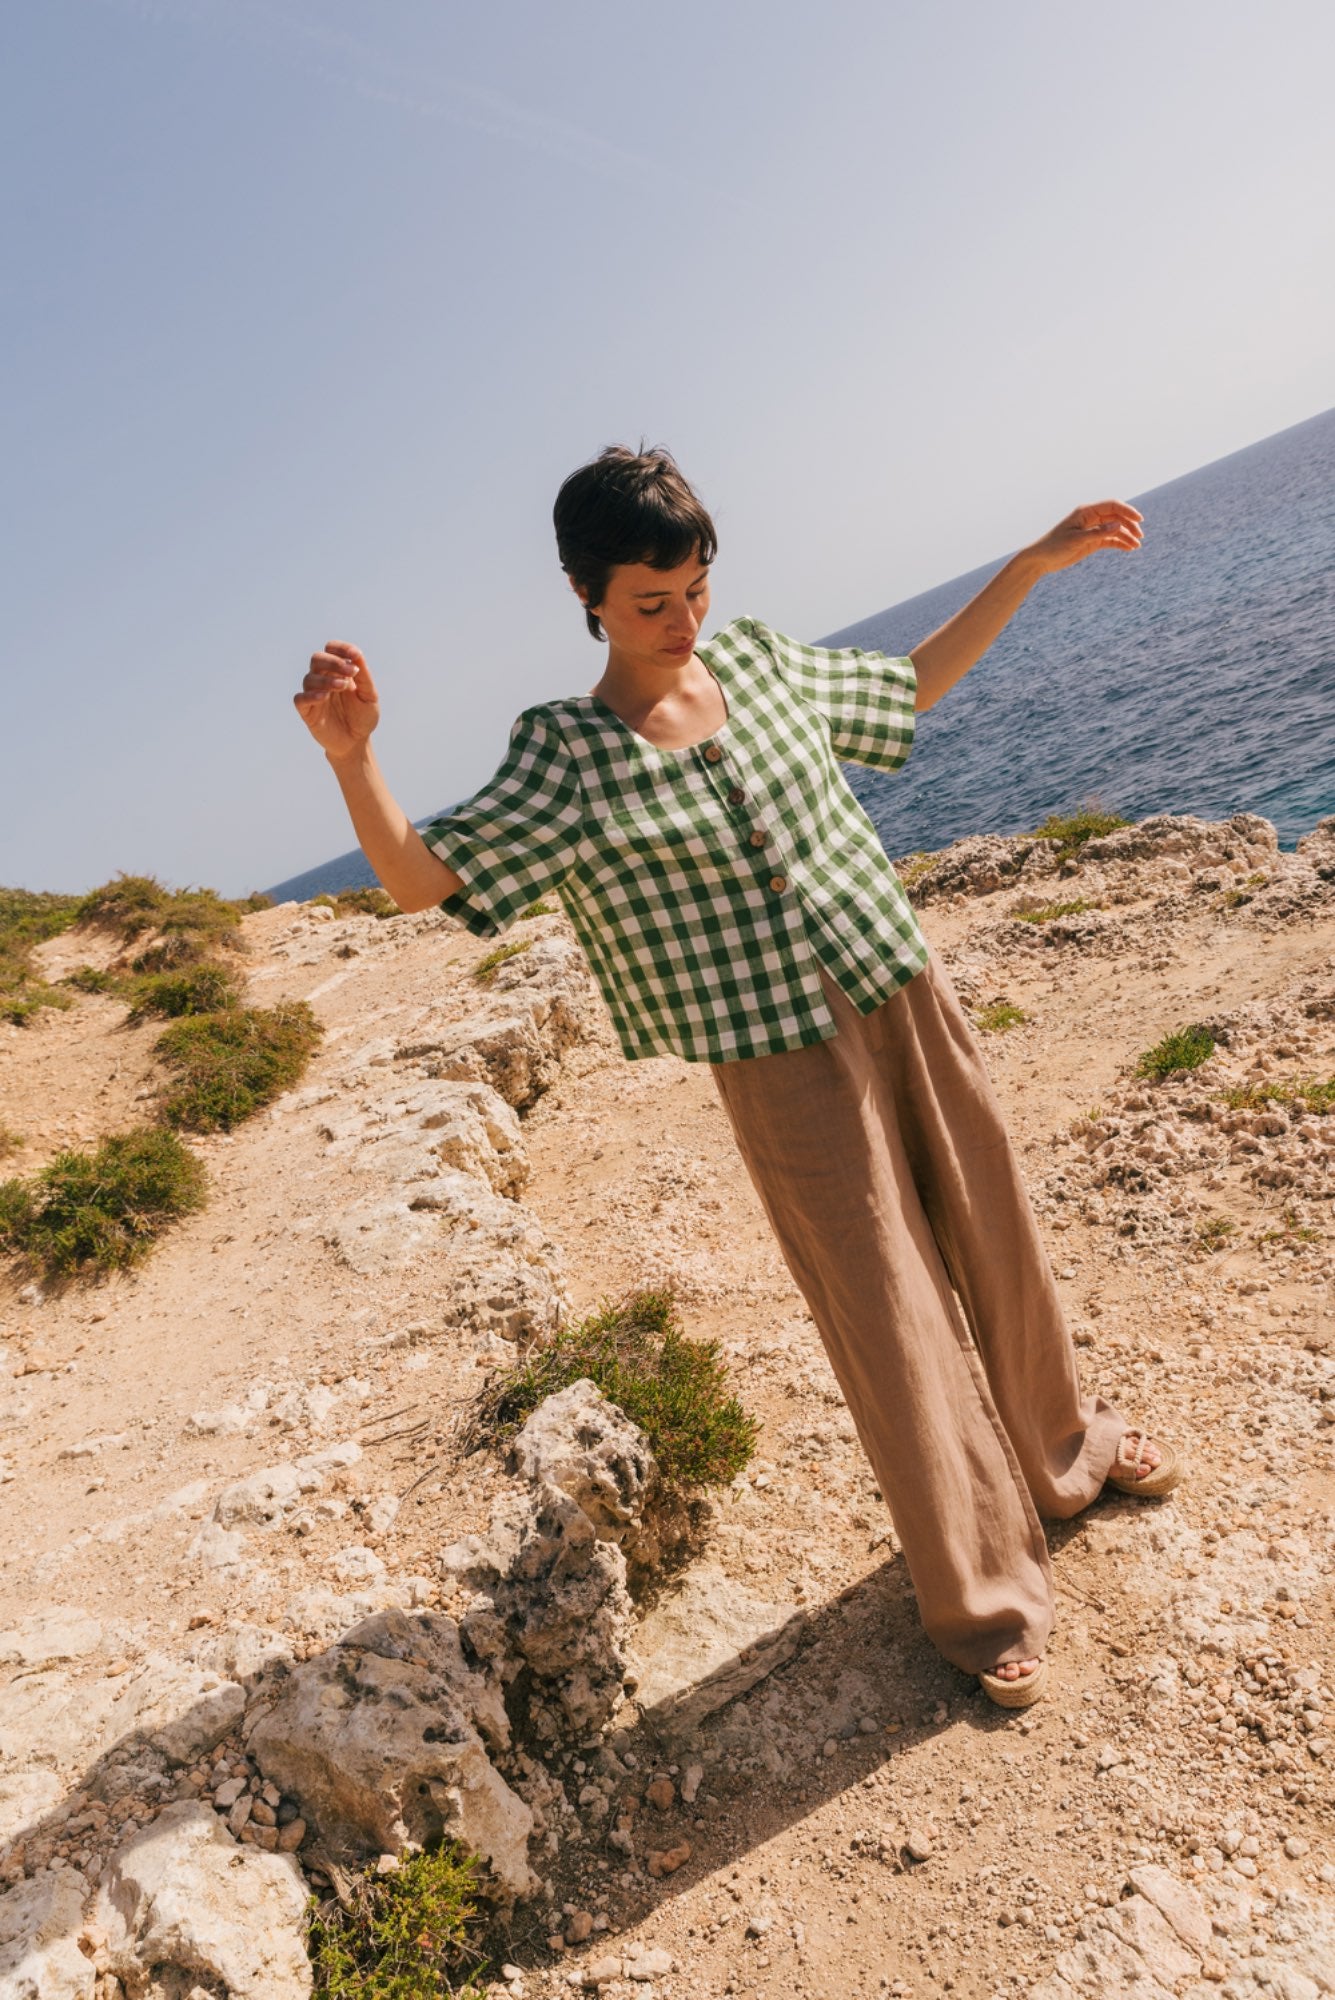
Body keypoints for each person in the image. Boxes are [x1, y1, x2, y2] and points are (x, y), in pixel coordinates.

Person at [294, 444, 1182, 1709]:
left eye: (695, 588)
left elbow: (907, 687)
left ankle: (1065, 1449)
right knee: (889, 1313)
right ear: (584, 594)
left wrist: (1030, 565)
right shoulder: (567, 754)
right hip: (776, 1057)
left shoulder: (757, 660)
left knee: (997, 1226)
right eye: (651, 600)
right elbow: (421, 879)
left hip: (899, 982)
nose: (681, 620)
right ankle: (982, 1596)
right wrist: (353, 755)